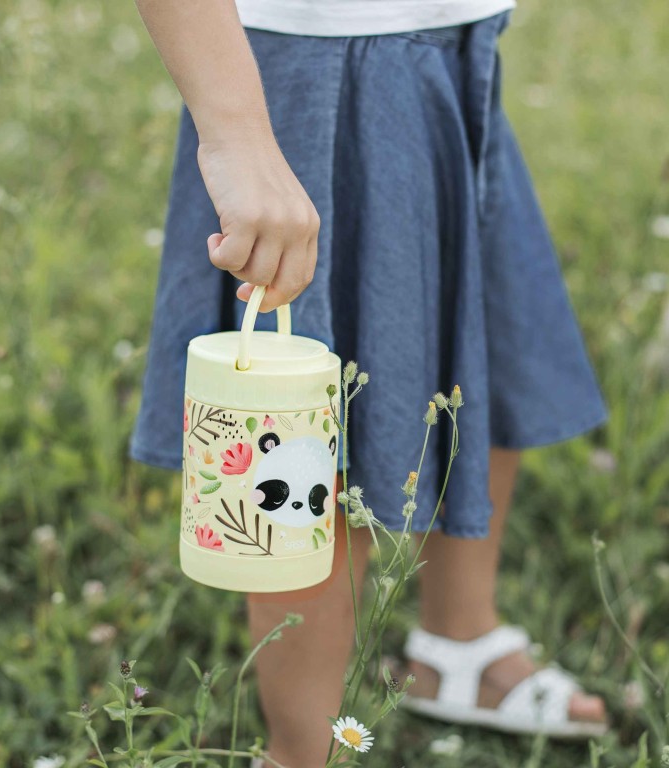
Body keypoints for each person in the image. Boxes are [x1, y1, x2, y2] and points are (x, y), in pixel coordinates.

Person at [128, 1, 610, 765]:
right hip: (319, 72)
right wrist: (238, 135)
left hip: (449, 40)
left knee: (476, 352)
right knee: (318, 442)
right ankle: (300, 753)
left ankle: (458, 641)